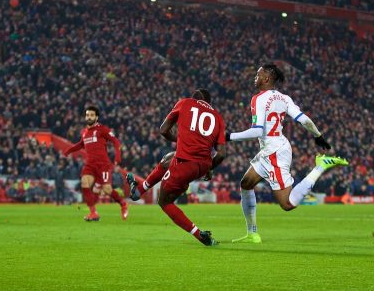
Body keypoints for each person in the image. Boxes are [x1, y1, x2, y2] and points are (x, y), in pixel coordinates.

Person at [227, 64, 348, 243]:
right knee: (246, 183)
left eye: (258, 74)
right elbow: (304, 120)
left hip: (274, 152)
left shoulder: (258, 99)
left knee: (287, 204)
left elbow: (257, 131)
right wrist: (318, 136)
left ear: (267, 78)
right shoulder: (284, 98)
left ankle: (320, 167)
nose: (255, 77)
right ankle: (252, 233)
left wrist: (227, 136)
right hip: (272, 149)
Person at [127, 89, 226, 246]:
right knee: (167, 159)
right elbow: (221, 154)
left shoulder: (186, 103)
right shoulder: (218, 118)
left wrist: (178, 139)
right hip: (202, 165)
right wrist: (209, 168)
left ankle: (199, 235)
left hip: (185, 163)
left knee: (164, 202)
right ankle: (138, 191)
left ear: (194, 99)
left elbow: (163, 130)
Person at [64, 105, 128, 221]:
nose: (89, 117)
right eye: (87, 115)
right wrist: (69, 151)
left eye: (92, 115)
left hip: (103, 165)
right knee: (84, 183)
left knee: (107, 189)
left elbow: (116, 142)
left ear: (96, 117)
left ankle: (123, 204)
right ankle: (93, 213)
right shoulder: (84, 132)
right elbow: (80, 144)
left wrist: (118, 158)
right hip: (90, 165)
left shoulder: (102, 129)